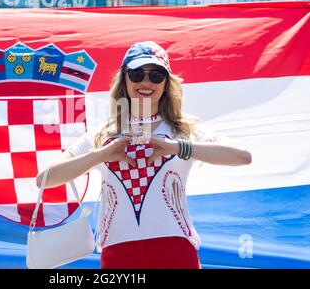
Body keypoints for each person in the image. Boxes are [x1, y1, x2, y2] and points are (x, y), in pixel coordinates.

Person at [36, 41, 252, 269]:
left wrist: (178, 147)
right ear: (125, 79)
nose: (146, 82)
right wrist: (102, 154)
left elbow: (242, 156)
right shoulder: (104, 134)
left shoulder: (183, 130)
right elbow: (45, 179)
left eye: (156, 75)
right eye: (137, 74)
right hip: (118, 257)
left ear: (167, 83)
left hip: (176, 254)